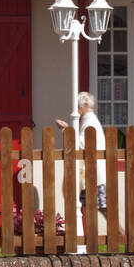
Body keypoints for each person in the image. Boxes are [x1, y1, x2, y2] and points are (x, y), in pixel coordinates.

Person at [55, 92, 107, 252]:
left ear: (84, 106)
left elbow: (81, 145)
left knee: (101, 208)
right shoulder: (89, 121)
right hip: (90, 174)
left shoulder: (89, 122)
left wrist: (65, 129)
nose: (76, 109)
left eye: (78, 105)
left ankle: (121, 235)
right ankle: (82, 241)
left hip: (92, 174)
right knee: (90, 206)